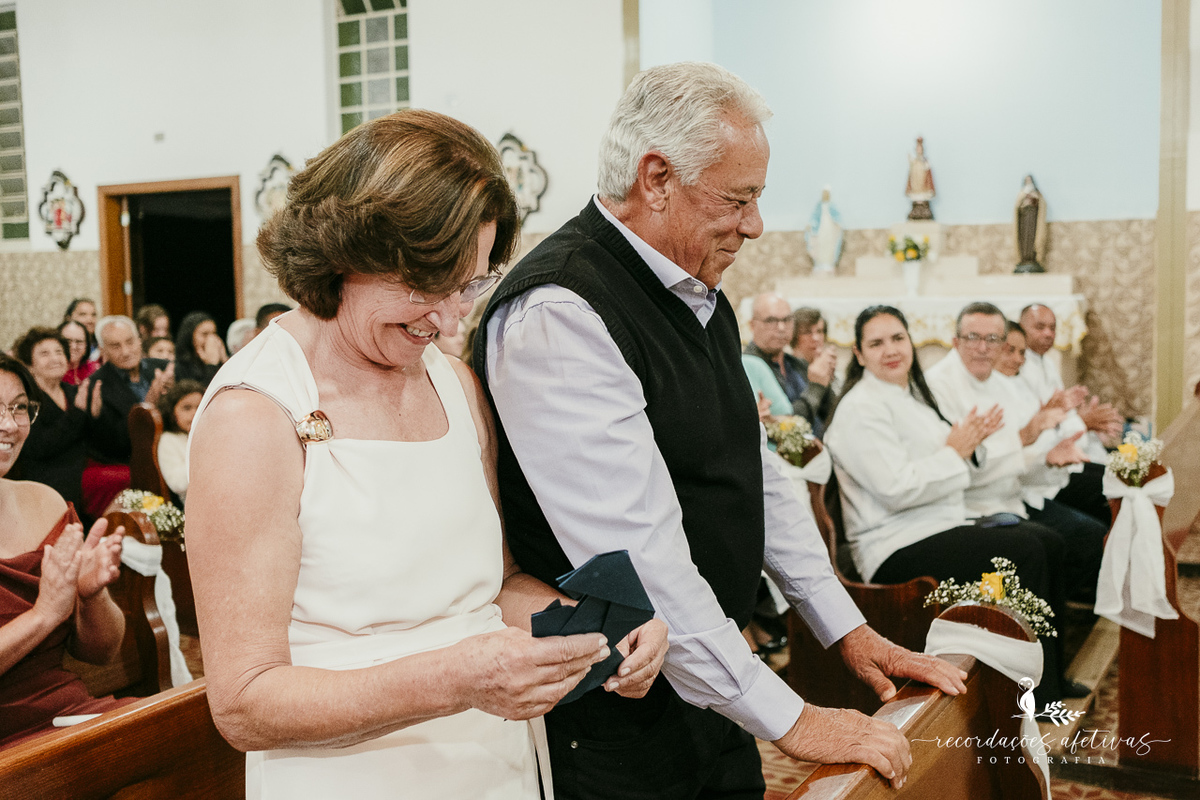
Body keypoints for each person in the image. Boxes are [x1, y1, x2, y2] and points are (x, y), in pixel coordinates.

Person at [476, 62, 965, 799]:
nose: (756, 224)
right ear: (656, 177)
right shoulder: (560, 311)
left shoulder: (697, 284)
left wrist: (846, 626)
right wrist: (790, 718)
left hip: (710, 673)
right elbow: (638, 555)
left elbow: (752, 469)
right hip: (618, 704)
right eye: (739, 198)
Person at [185, 109, 666, 799]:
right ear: (343, 252)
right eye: (426, 285)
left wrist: (598, 634)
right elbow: (244, 701)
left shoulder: (454, 382)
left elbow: (493, 588)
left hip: (495, 766)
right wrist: (453, 678)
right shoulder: (254, 415)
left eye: (470, 284)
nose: (450, 319)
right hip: (348, 778)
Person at [824, 305, 1073, 701]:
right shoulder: (859, 409)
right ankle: (1036, 696)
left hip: (936, 523)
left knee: (1049, 542)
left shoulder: (912, 396)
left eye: (897, 338)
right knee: (1026, 551)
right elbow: (897, 488)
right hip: (893, 544)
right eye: (876, 342)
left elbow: (957, 454)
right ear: (859, 354)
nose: (890, 349)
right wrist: (956, 452)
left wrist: (969, 446)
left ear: (911, 342)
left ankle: (1050, 676)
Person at [925, 303, 1105, 610]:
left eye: (993, 339)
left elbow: (1023, 462)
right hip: (972, 507)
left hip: (1012, 498)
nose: (983, 348)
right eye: (973, 337)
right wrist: (1024, 438)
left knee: (1088, 537)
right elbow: (962, 470)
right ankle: (1030, 625)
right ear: (956, 342)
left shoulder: (1002, 385)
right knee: (1050, 546)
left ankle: (1044, 621)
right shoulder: (938, 387)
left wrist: (1047, 459)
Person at [0, 354, 130, 750]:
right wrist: (42, 617)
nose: (8, 425)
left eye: (18, 407)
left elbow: (103, 654)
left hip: (68, 716)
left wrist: (92, 595)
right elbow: (48, 613)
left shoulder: (45, 502)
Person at [1018, 304, 1118, 526]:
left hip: (1061, 458)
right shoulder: (1020, 370)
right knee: (1112, 492)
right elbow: (1040, 428)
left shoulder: (1048, 364)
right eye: (1040, 327)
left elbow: (1060, 416)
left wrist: (1083, 420)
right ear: (1021, 329)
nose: (1048, 334)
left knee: (1120, 480)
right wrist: (1083, 422)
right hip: (1040, 473)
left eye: (1052, 328)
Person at [84, 317, 173, 520]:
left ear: (140, 341)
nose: (125, 351)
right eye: (115, 346)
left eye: (130, 342)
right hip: (133, 463)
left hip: (172, 451)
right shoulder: (96, 385)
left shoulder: (163, 368)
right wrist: (147, 409)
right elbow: (115, 445)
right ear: (103, 351)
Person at [11, 328, 93, 515]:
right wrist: (79, 412)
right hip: (48, 475)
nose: (55, 359)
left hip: (80, 468)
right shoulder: (26, 400)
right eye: (44, 354)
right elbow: (39, 446)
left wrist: (95, 413)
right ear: (30, 365)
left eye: (59, 352)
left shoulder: (73, 391)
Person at [744, 293, 836, 436]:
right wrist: (816, 386)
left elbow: (830, 413)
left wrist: (826, 376)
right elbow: (785, 423)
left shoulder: (796, 363)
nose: (781, 327)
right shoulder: (747, 367)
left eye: (787, 320)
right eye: (771, 320)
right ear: (752, 325)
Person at [155, 379, 203, 505]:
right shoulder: (169, 440)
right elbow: (177, 483)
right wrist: (206, 459)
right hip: (195, 504)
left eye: (199, 407)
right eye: (187, 408)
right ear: (172, 412)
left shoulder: (209, 433)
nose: (194, 413)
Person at [173, 312, 227, 386]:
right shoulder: (181, 367)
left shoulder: (220, 362)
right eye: (205, 334)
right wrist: (211, 364)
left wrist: (224, 360)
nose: (211, 339)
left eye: (214, 333)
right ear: (190, 337)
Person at [57, 321, 97, 387]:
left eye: (79, 342)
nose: (73, 346)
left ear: (86, 346)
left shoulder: (94, 371)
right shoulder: (50, 372)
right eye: (68, 341)